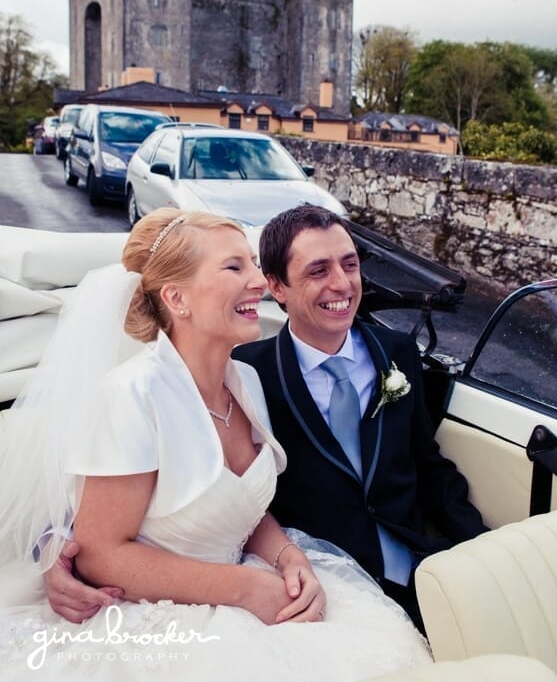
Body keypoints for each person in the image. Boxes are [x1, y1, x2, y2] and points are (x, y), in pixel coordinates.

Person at [0, 209, 428, 678]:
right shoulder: (129, 396)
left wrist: (289, 556)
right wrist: (243, 587)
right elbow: (101, 551)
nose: (259, 283)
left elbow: (242, 505)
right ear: (177, 298)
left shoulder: (247, 382)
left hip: (260, 581)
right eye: (234, 267)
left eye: (253, 265)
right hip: (163, 623)